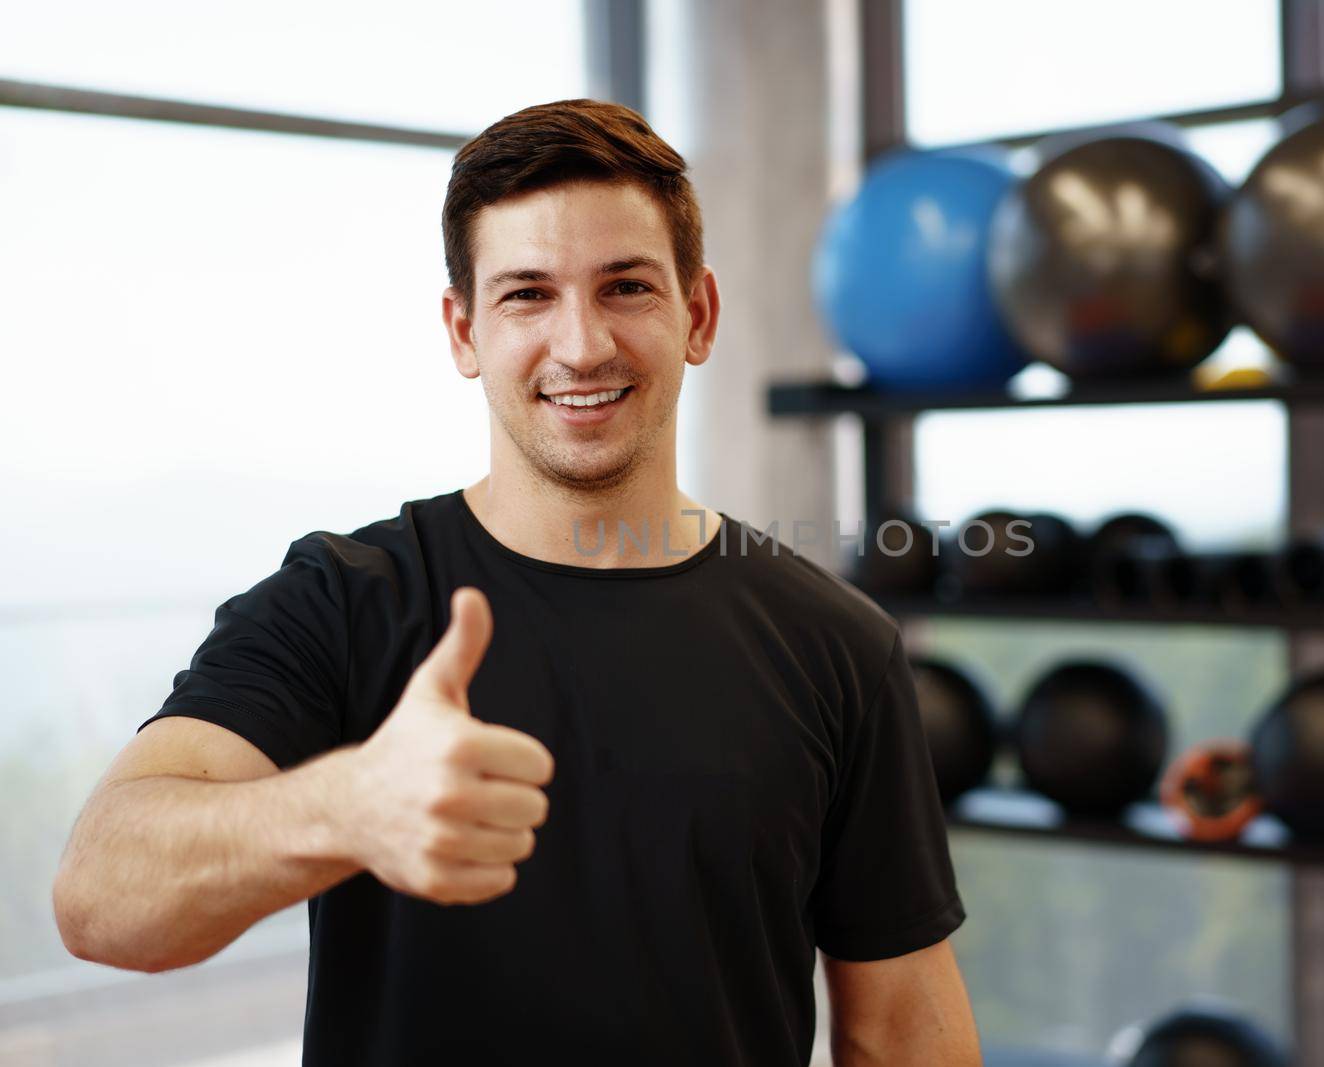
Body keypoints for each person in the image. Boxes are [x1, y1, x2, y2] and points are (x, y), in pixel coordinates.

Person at [51, 99, 980, 1066]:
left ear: (698, 313)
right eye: (527, 294)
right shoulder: (340, 601)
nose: (581, 345)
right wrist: (349, 807)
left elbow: (904, 1027)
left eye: (625, 287)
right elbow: (100, 899)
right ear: (463, 331)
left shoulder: (836, 642)